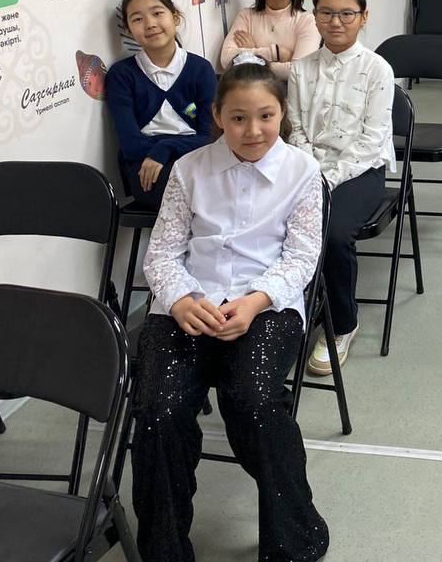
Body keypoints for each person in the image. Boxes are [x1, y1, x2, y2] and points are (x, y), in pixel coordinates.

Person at [131, 61, 329, 562]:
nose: (253, 130)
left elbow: (301, 257)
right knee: (157, 411)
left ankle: (295, 539)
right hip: (187, 303)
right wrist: (181, 300)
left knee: (253, 402)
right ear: (218, 116)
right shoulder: (189, 169)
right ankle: (164, 550)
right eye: (238, 118)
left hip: (265, 303)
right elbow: (162, 253)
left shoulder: (303, 172)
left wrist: (256, 301)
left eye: (266, 116)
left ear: (282, 113)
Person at [287, 0, 395, 375]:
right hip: (307, 167)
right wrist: (311, 170)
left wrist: (329, 178)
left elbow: (372, 140)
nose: (336, 22)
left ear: (363, 17)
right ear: (314, 16)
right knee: (271, 222)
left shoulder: (377, 70)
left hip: (360, 171)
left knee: (332, 233)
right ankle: (289, 313)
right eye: (326, 13)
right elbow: (295, 129)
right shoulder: (300, 69)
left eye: (346, 14)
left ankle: (342, 324)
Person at [106, 0, 217, 207]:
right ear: (128, 30)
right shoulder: (121, 75)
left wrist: (166, 148)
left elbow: (210, 135)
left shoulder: (201, 69)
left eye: (157, 13)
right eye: (137, 19)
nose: (150, 24)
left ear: (175, 17)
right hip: (146, 166)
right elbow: (130, 142)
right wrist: (155, 155)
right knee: (196, 191)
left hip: (197, 154)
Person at [220, 0, 321, 79]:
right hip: (251, 90)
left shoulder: (307, 21)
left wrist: (253, 56)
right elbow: (226, 59)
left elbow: (299, 71)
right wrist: (276, 53)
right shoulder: (246, 16)